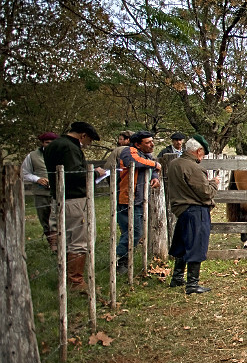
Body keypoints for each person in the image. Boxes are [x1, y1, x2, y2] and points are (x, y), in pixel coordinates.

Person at [43, 121, 105, 289]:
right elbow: (74, 174)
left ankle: (65, 277)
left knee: (66, 239)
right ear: (83, 135)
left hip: (60, 196)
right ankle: (75, 281)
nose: (87, 145)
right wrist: (95, 172)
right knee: (78, 240)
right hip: (74, 198)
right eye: (88, 141)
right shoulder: (70, 148)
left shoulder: (54, 145)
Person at [166, 137, 220, 294]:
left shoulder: (174, 164)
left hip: (181, 209)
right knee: (197, 244)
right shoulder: (194, 168)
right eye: (203, 154)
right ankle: (192, 284)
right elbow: (206, 193)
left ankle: (177, 278)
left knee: (183, 243)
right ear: (199, 151)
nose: (202, 158)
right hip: (196, 210)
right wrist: (214, 183)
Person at [116, 131, 162, 276]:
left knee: (130, 232)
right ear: (137, 144)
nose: (152, 144)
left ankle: (123, 260)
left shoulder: (145, 154)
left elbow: (151, 166)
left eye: (152, 141)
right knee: (134, 232)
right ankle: (119, 258)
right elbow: (135, 162)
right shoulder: (129, 151)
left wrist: (154, 176)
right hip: (127, 199)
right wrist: (155, 164)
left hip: (138, 199)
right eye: (148, 142)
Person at [21, 132, 60, 251]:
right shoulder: (32, 156)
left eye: (53, 143)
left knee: (56, 216)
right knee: (44, 217)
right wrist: (37, 179)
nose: (50, 145)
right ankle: (51, 242)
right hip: (41, 192)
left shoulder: (60, 154)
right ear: (43, 143)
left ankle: (57, 245)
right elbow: (24, 173)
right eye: (47, 143)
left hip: (57, 191)